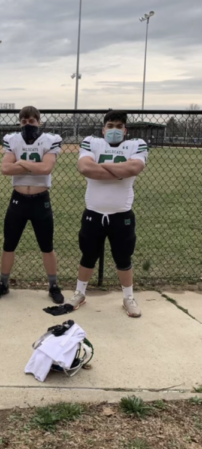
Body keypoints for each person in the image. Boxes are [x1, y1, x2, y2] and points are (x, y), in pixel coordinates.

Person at [67, 110, 148, 317]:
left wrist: (101, 166)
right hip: (93, 213)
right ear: (103, 129)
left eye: (119, 126)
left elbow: (135, 168)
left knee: (123, 258)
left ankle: (128, 297)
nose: (114, 130)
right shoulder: (91, 142)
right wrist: (119, 170)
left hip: (122, 214)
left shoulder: (137, 144)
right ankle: (80, 293)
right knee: (88, 256)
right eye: (110, 125)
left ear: (125, 130)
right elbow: (85, 168)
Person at [0, 105, 63, 302]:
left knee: (47, 246)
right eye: (24, 121)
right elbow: (5, 169)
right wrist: (33, 167)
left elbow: (46, 168)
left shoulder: (51, 140)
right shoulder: (13, 139)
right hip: (18, 199)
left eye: (31, 121)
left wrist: (20, 163)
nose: (27, 124)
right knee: (9, 244)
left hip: (41, 201)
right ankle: (3, 283)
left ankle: (54, 285)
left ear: (39, 122)